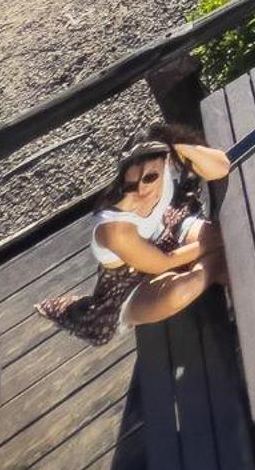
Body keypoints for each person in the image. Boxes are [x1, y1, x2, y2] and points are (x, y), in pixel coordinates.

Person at [35, 125, 228, 344]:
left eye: (150, 178)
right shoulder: (115, 227)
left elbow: (221, 167)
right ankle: (215, 266)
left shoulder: (165, 163)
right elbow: (162, 264)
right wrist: (221, 239)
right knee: (183, 290)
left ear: (165, 162)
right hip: (131, 282)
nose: (141, 190)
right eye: (130, 183)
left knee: (232, 261)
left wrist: (178, 145)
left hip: (172, 233)